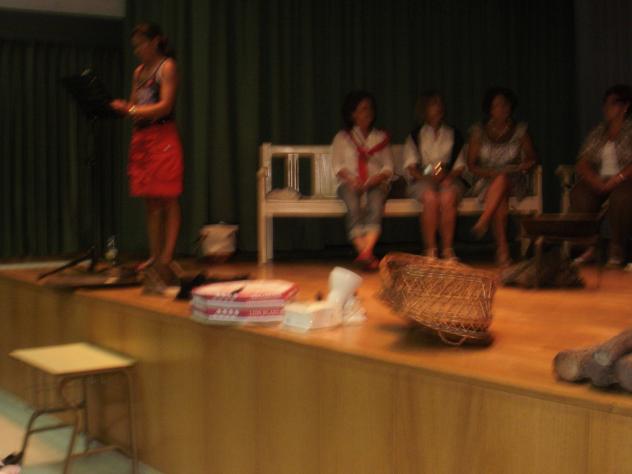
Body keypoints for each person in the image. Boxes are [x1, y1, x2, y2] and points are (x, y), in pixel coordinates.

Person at [110, 23, 183, 273]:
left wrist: (130, 109)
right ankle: (154, 254)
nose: (137, 50)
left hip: (162, 137)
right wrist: (123, 107)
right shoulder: (138, 72)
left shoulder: (167, 66)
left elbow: (165, 105)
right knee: (150, 200)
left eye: (141, 44)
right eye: (134, 46)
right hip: (141, 137)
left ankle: (167, 256)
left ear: (155, 42)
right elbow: (135, 104)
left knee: (168, 197)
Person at [467, 87, 537, 267]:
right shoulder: (478, 131)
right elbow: (471, 165)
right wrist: (491, 173)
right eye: (498, 105)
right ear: (490, 109)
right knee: (500, 193)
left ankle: (485, 222)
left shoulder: (520, 130)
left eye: (506, 105)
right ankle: (503, 251)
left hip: (515, 179)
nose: (503, 109)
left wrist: (523, 165)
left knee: (503, 179)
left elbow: (532, 158)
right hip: (486, 180)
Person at [331, 90, 393, 271]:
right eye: (363, 109)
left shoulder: (380, 138)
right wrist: (352, 180)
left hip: (376, 184)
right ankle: (366, 253)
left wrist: (377, 178)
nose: (368, 113)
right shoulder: (342, 137)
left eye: (370, 108)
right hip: (349, 183)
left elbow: (388, 167)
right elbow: (337, 166)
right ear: (353, 114)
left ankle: (365, 253)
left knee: (376, 203)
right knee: (353, 205)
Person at [571, 84, 632, 267]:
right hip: (601, 179)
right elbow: (583, 161)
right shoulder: (599, 132)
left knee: (621, 198)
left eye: (612, 104)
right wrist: (594, 180)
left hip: (625, 179)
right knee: (580, 194)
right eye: (605, 103)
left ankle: (617, 247)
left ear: (625, 107)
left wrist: (617, 179)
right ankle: (590, 247)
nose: (606, 108)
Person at [403, 91, 466, 261]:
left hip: (449, 178)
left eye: (440, 104)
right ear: (424, 109)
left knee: (448, 196)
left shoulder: (453, 134)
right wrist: (431, 173)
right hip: (423, 180)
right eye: (433, 104)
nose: (438, 108)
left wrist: (447, 176)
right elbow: (412, 168)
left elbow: (459, 166)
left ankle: (447, 250)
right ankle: (430, 250)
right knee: (430, 198)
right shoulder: (415, 136)